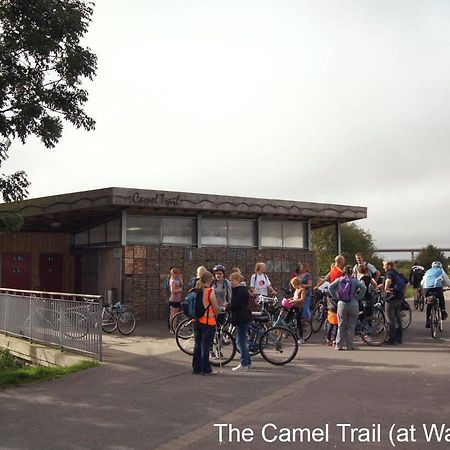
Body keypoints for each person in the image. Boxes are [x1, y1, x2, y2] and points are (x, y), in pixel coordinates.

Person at [329, 265, 366, 350]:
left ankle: (339, 345)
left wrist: (335, 296)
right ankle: (350, 345)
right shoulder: (355, 281)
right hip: (353, 304)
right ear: (352, 272)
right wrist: (358, 296)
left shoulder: (339, 280)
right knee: (351, 326)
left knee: (341, 325)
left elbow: (330, 287)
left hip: (342, 304)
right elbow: (364, 288)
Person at [192, 271, 220, 376]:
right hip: (208, 322)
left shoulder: (195, 290)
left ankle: (196, 368)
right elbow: (216, 307)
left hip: (196, 321)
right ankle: (206, 369)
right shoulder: (209, 291)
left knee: (197, 345)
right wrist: (216, 315)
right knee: (205, 345)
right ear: (209, 280)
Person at [229, 272, 252, 372]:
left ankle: (244, 363)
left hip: (241, 317)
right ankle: (248, 361)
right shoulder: (242, 290)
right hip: (244, 317)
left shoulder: (240, 290)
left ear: (238, 280)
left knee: (240, 341)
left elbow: (236, 304)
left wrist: (227, 307)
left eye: (232, 280)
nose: (231, 282)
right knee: (242, 340)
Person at [380, 260, 407, 345]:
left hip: (391, 298)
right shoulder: (398, 273)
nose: (383, 267)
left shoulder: (389, 273)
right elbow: (407, 283)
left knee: (390, 319)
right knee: (397, 318)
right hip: (399, 298)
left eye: (384, 265)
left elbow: (388, 280)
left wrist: (386, 288)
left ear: (388, 265)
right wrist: (404, 293)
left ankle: (392, 339)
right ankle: (399, 338)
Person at [421, 261, 450, 328]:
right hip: (437, 288)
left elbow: (422, 282)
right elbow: (447, 280)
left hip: (426, 289)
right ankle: (442, 312)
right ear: (440, 266)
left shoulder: (427, 271)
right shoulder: (441, 270)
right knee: (441, 297)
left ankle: (428, 320)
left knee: (429, 303)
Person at [168, 267, 183, 333]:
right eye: (176, 274)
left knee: (173, 315)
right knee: (174, 315)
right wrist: (179, 290)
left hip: (177, 299)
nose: (177, 275)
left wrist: (180, 278)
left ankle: (173, 328)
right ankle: (173, 329)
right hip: (174, 299)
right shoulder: (173, 281)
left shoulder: (177, 280)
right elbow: (173, 290)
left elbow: (182, 284)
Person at [163, 266, 175, 331]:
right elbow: (165, 289)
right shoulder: (167, 279)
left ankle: (173, 327)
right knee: (170, 313)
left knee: (174, 313)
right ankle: (170, 326)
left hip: (175, 299)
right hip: (170, 299)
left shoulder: (177, 279)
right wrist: (167, 298)